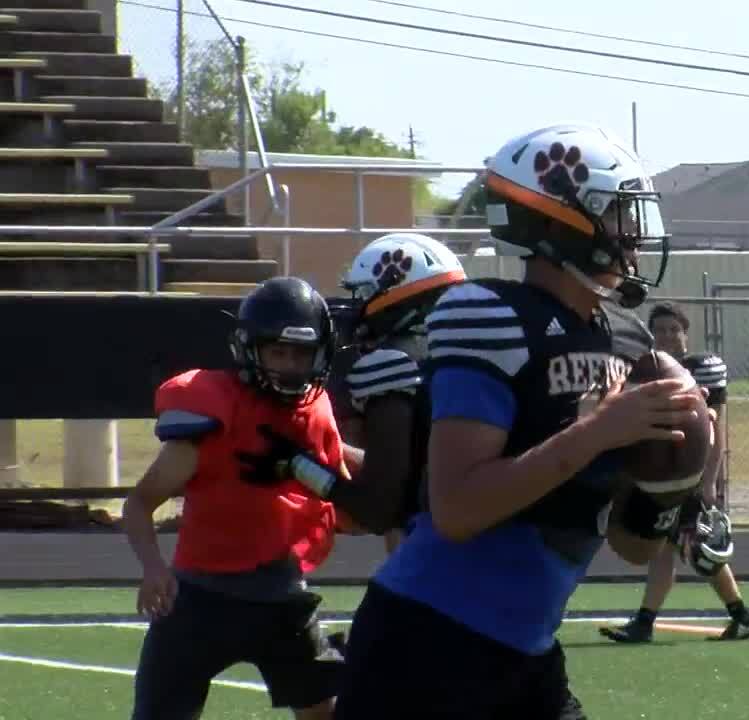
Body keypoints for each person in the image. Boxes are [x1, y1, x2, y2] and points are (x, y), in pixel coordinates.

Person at [332, 123, 709, 720]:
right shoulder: (491, 317)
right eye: (617, 213)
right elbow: (456, 510)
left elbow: (631, 548)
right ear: (563, 221)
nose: (633, 232)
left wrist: (674, 483)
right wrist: (596, 433)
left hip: (526, 655)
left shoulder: (627, 340)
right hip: (428, 647)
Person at [121, 276, 355, 720]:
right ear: (250, 349)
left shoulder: (316, 409)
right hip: (198, 601)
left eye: (300, 353)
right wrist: (153, 568)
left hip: (283, 599)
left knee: (325, 714)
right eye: (278, 351)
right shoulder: (212, 411)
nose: (289, 365)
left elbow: (354, 509)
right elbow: (138, 504)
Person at [274, 233, 468, 554]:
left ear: (396, 295)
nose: (356, 307)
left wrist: (300, 464)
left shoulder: (388, 366)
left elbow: (378, 511)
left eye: (362, 294)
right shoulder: (464, 359)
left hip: (436, 553)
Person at [600, 302, 749, 643]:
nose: (668, 336)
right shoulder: (650, 369)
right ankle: (653, 622)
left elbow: (714, 429)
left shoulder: (702, 368)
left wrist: (708, 482)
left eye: (674, 329)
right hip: (663, 473)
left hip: (689, 473)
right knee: (670, 548)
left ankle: (732, 617)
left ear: (685, 332)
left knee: (696, 549)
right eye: (660, 330)